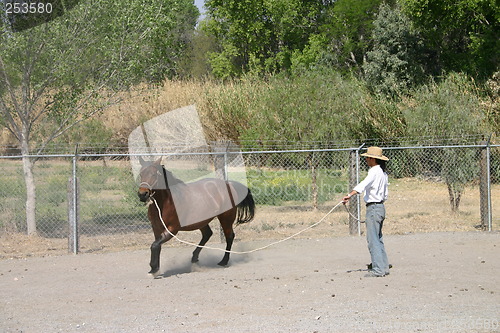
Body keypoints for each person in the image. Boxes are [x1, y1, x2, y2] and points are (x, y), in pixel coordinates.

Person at [343, 146, 390, 277]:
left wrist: (350, 194)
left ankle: (378, 269)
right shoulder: (383, 173)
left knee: (373, 239)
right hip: (380, 207)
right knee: (378, 238)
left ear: (372, 159)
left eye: (368, 158)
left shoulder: (374, 172)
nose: (367, 160)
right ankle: (383, 266)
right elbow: (385, 194)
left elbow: (363, 184)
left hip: (374, 208)